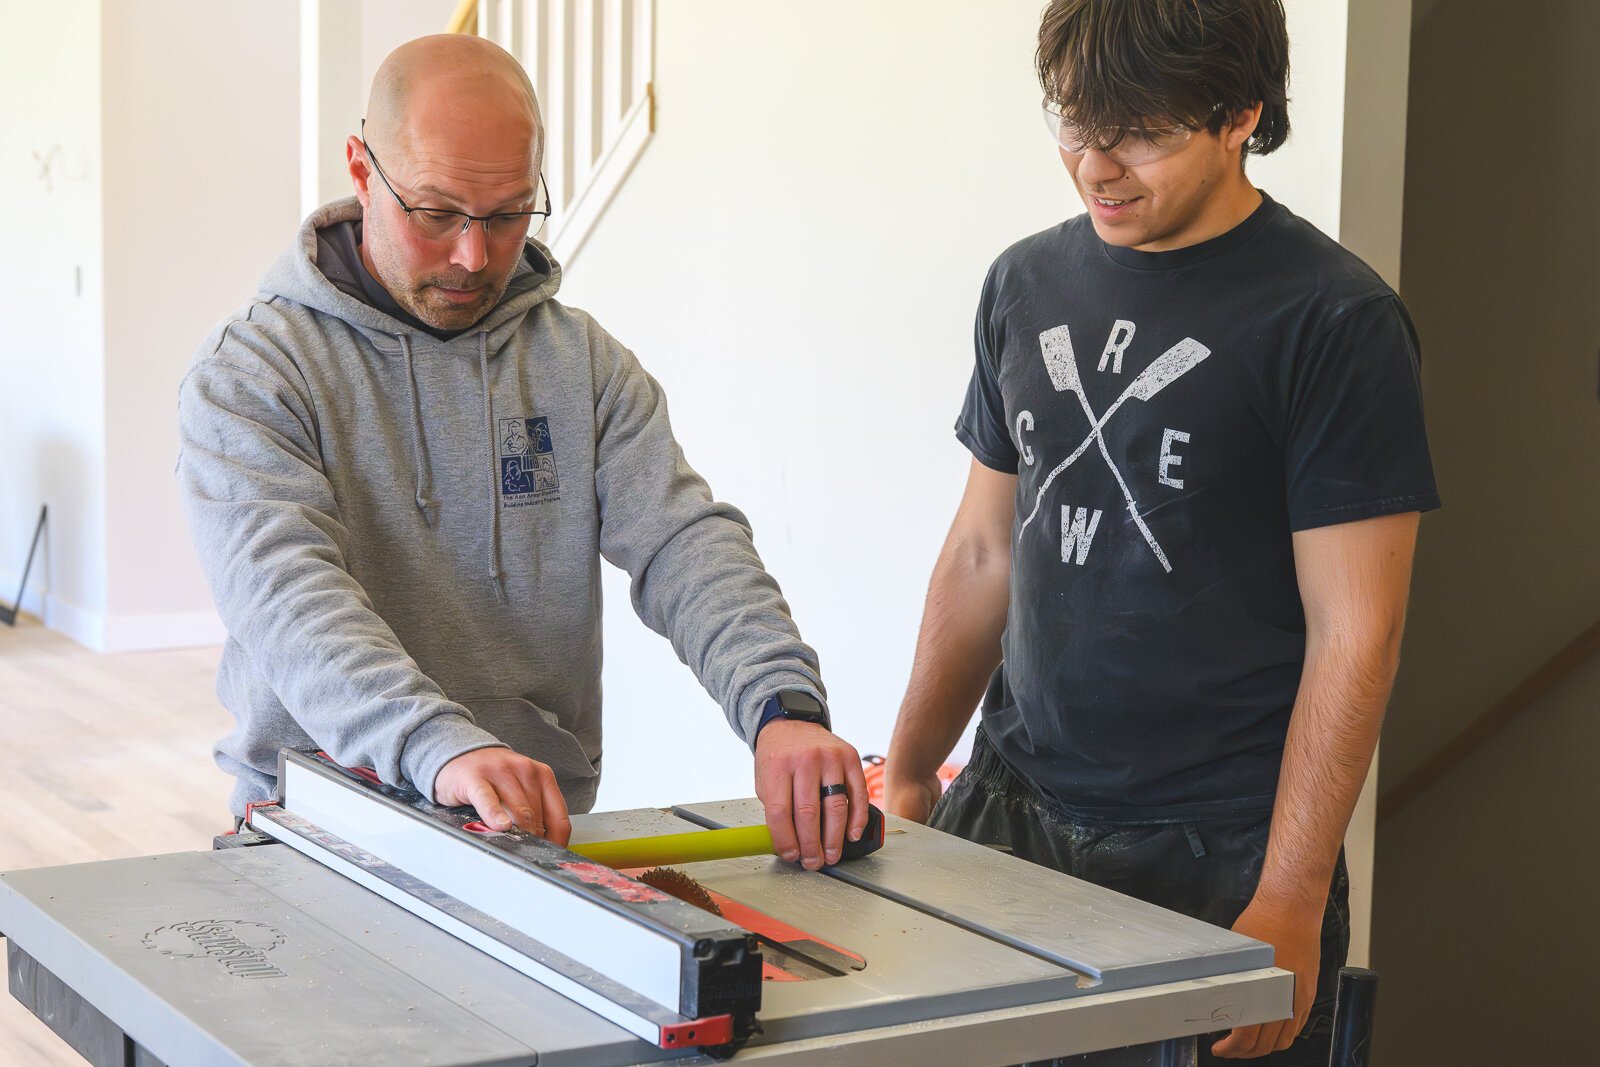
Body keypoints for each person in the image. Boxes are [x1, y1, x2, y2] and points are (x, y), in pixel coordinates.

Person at [883, 1, 1438, 1062]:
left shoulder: (1332, 321)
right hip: (1011, 816)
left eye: (1139, 132)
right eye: (1075, 127)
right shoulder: (1023, 282)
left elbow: (1354, 631)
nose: (1096, 168)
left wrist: (1287, 891)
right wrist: (911, 763)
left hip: (1217, 858)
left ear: (1240, 114)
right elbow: (983, 550)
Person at [177, 34, 867, 871]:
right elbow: (287, 598)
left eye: (507, 215)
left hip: (528, 843)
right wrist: (437, 746)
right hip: (314, 836)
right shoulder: (253, 372)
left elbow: (683, 539)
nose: (473, 256)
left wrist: (780, 703)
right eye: (437, 214)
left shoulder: (580, 364)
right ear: (361, 171)